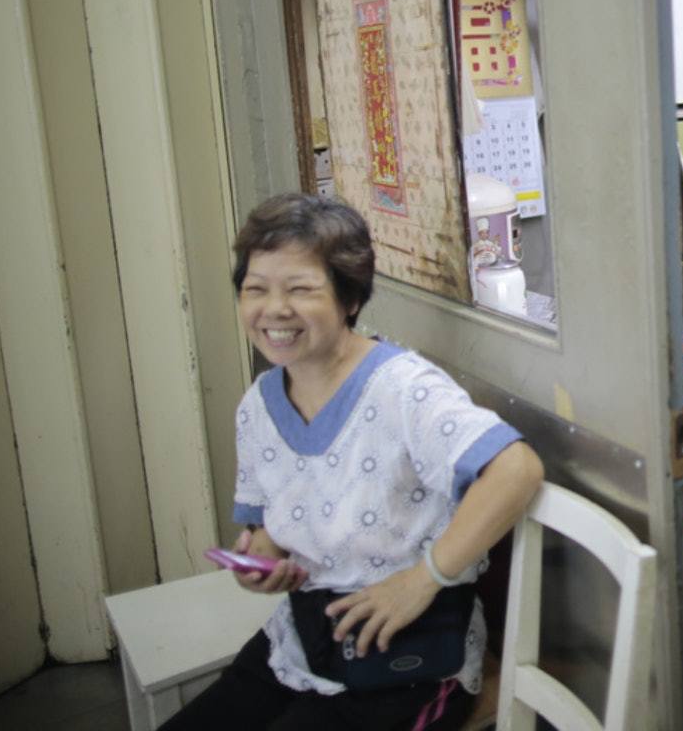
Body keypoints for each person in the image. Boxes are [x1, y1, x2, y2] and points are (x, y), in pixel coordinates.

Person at [161, 193, 544, 730]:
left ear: (349, 300)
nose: (274, 310)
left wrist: (422, 579)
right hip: (304, 639)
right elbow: (267, 525)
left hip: (411, 657)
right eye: (256, 290)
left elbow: (517, 469)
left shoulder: (404, 389)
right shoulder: (259, 404)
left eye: (300, 289)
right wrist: (265, 563)